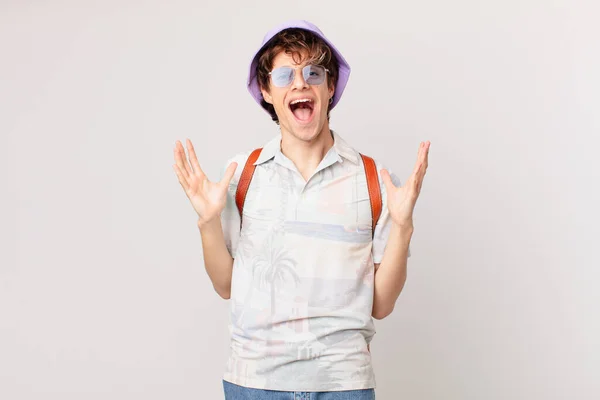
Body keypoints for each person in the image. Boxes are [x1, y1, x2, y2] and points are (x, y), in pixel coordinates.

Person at [173, 20, 430, 399]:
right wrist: (208, 222)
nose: (300, 83)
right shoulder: (243, 175)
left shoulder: (374, 180)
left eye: (313, 72)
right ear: (265, 90)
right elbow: (225, 285)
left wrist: (404, 226)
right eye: (284, 75)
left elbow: (382, 304)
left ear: (330, 88)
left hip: (344, 385)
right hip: (254, 384)